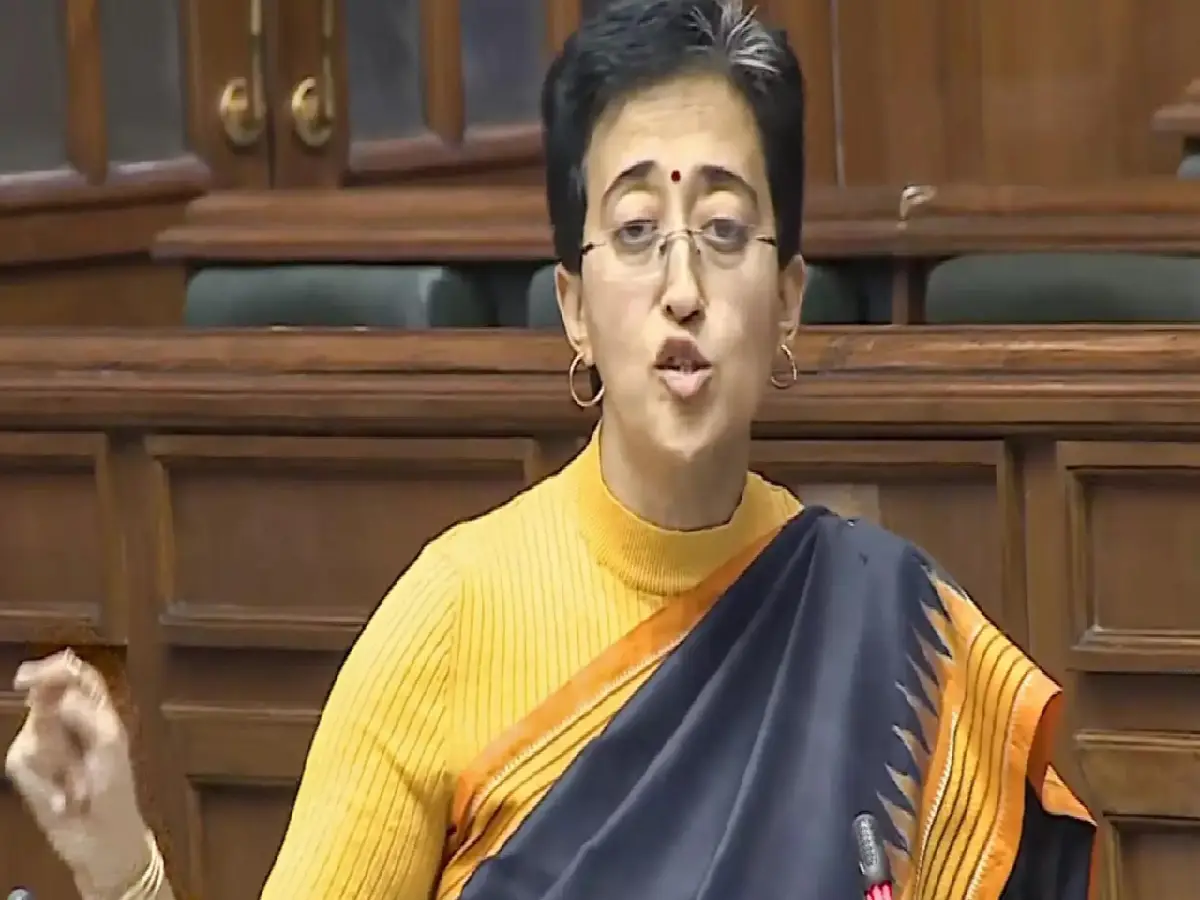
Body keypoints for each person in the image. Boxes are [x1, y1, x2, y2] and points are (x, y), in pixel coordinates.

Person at [5, 1, 1097, 898]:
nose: (682, 289)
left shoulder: (904, 634)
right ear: (573, 307)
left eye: (724, 231)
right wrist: (121, 867)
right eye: (634, 234)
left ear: (790, 302)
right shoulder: (453, 616)